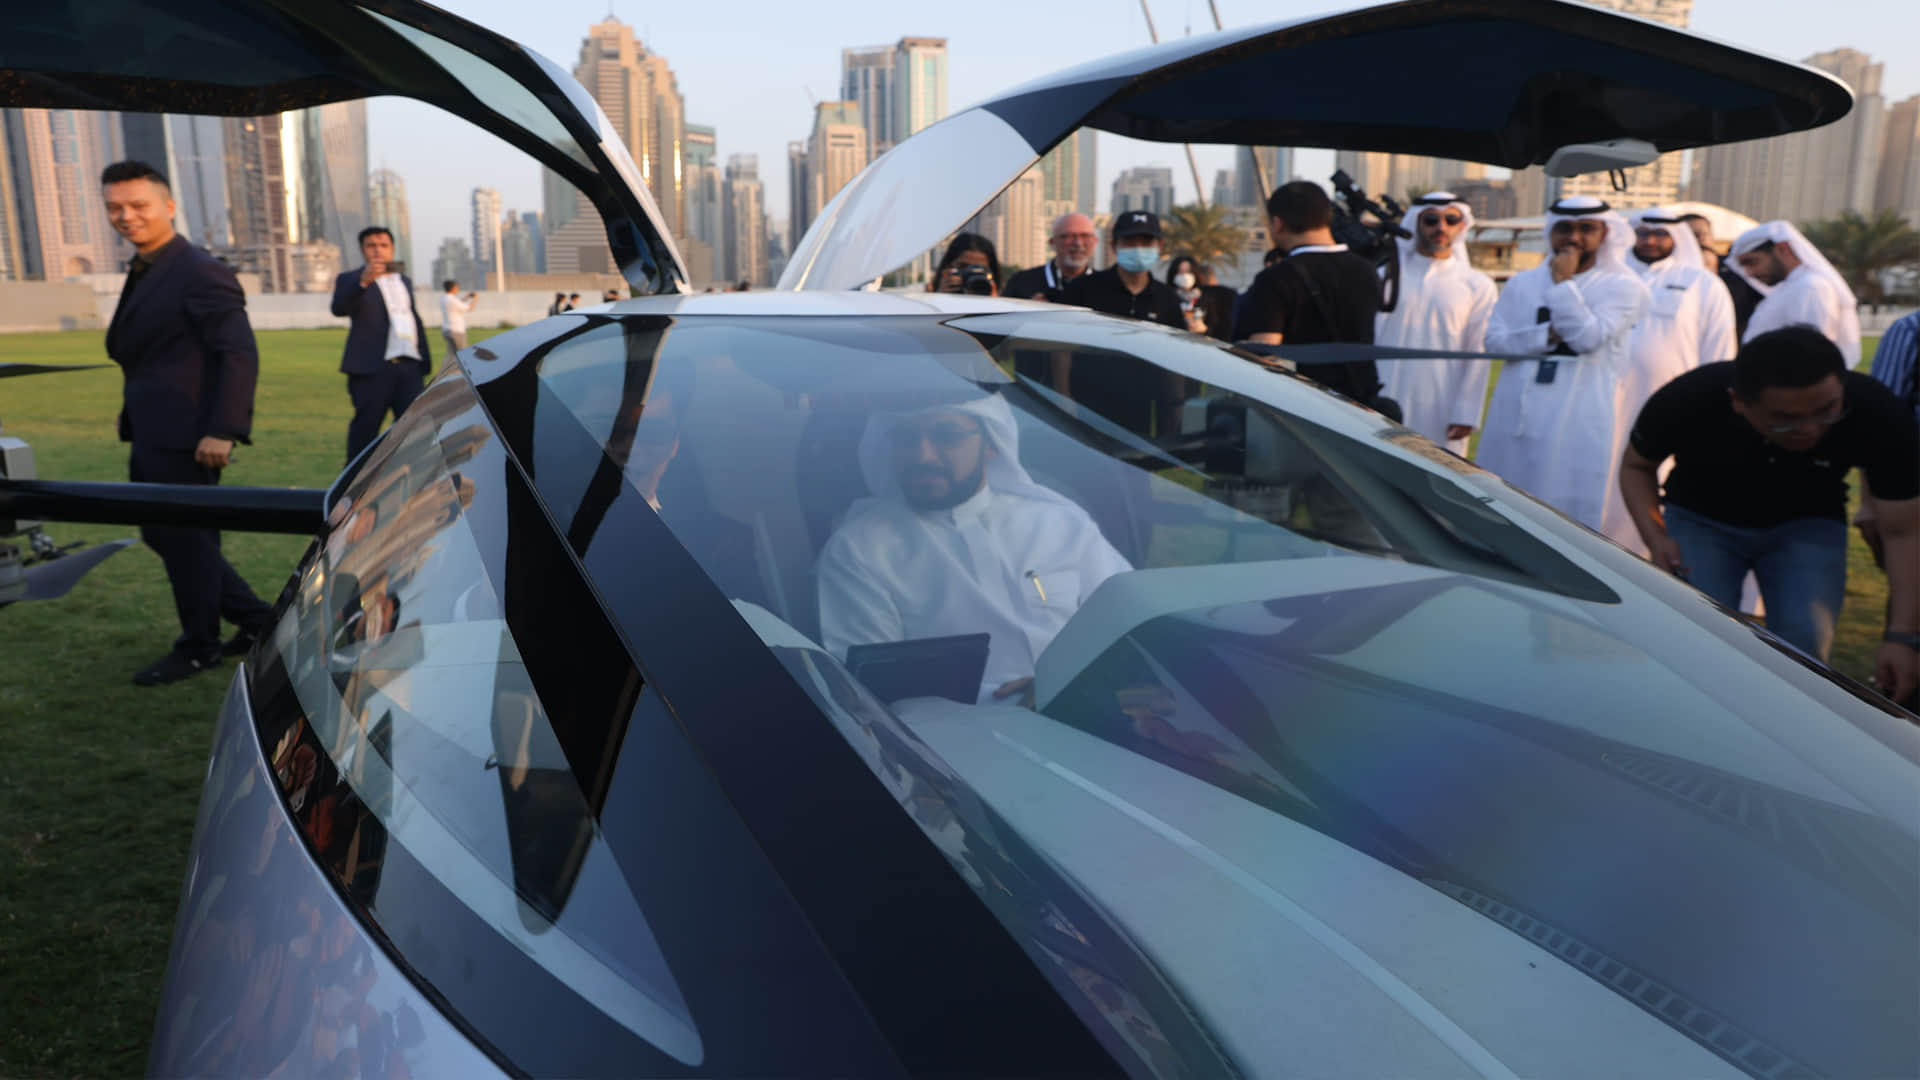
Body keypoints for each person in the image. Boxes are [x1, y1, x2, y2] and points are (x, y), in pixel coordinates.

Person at [1619, 327, 1918, 700]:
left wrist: (1902, 637)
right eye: (1784, 419)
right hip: (1701, 519)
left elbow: (1904, 532)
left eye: (1826, 411)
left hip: (1809, 523)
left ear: (1842, 386)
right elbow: (1636, 466)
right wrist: (1656, 537)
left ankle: (1790, 733)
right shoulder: (1691, 396)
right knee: (1698, 641)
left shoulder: (1875, 410)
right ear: (1738, 401)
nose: (1809, 428)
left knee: (1805, 643)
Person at [817, 393, 1131, 705]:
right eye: (905, 439)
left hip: (1094, 707)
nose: (921, 456)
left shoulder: (1060, 523)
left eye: (947, 437)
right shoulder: (860, 549)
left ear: (991, 444)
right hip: (964, 737)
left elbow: (1128, 623)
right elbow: (872, 693)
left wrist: (1072, 686)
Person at [98, 160, 275, 685]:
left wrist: (223, 428)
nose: (126, 216)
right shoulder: (149, 266)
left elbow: (238, 352)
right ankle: (255, 619)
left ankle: (199, 646)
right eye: (115, 208)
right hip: (155, 426)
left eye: (138, 205)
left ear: (169, 207)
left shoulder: (198, 269)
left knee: (183, 538)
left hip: (191, 433)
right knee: (171, 534)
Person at [1478, 196, 1649, 531]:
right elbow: (1495, 343)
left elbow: (1587, 338)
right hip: (1515, 412)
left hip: (1576, 414)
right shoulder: (1522, 283)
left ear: (1605, 234)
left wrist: (1562, 284)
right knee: (1502, 504)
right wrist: (1547, 335)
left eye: (1586, 229)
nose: (1573, 237)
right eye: (1564, 228)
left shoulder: (1625, 286)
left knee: (1564, 514)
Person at [1598, 208, 1738, 548]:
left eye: (1660, 233)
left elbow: (1719, 352)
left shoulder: (1704, 284)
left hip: (1671, 405)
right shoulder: (1608, 278)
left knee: (1653, 474)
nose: (1649, 240)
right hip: (1602, 400)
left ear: (1677, 238)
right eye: (1642, 233)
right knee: (1601, 477)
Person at [1235, 181, 1384, 406]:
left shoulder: (1276, 278)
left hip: (1306, 407)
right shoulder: (1367, 269)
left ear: (1277, 223)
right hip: (1362, 406)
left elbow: (1267, 353)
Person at [1372, 191, 1498, 456]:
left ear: (1461, 226)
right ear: (1416, 223)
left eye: (1451, 220)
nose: (1441, 228)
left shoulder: (1477, 285)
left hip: (1443, 403)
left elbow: (1478, 352)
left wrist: (1467, 411)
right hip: (1384, 395)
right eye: (1431, 220)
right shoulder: (1385, 277)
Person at [1056, 212, 1190, 434]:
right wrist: (1063, 397)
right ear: (1113, 245)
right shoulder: (1083, 289)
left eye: (1146, 242)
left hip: (1144, 406)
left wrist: (1175, 408)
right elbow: (1060, 349)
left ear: (1160, 246)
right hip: (1088, 403)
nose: (1138, 248)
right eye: (1129, 242)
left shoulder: (1167, 298)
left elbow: (1176, 358)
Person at [331, 225, 431, 463]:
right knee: (365, 432)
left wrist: (423, 360)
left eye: (383, 245)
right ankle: (351, 491)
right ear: (362, 250)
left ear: (392, 249)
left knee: (416, 431)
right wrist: (363, 283)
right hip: (372, 369)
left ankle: (414, 484)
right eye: (371, 246)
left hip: (409, 367)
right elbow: (338, 309)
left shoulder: (403, 280)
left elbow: (412, 317)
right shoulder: (350, 279)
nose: (378, 251)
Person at [1730, 220, 1862, 365]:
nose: (1749, 273)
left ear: (1782, 249)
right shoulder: (1789, 288)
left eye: (1753, 262)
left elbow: (1810, 355)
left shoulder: (1811, 288)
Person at [1679, 213, 1762, 339]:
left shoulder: (1738, 269)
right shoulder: (1671, 273)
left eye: (1705, 233)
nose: (1701, 239)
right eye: (1694, 235)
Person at [1004, 213, 1098, 302]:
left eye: (1085, 236)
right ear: (1052, 243)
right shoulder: (1022, 283)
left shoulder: (1105, 286)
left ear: (1095, 241)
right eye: (1068, 236)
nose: (1078, 243)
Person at [928, 232, 1002, 296]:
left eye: (981, 269)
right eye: (963, 267)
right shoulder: (928, 305)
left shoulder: (1006, 305)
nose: (973, 276)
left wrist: (995, 304)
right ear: (946, 269)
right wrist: (940, 298)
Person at [1164, 255, 1220, 338]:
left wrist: (1205, 329)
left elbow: (1217, 328)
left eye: (1188, 272)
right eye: (1181, 272)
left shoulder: (1206, 298)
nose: (1185, 276)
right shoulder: (1167, 297)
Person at [1194, 263, 1238, 343]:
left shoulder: (1200, 294)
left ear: (1200, 277)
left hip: (1205, 339)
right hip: (1229, 340)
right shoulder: (1231, 293)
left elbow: (1198, 314)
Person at [438, 279, 478, 353]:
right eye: (457, 287)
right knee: (462, 354)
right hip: (456, 330)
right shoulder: (452, 300)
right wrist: (475, 299)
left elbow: (458, 304)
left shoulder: (444, 298)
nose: (458, 289)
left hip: (447, 329)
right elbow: (469, 308)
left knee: (451, 354)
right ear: (453, 288)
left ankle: (447, 365)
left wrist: (466, 297)